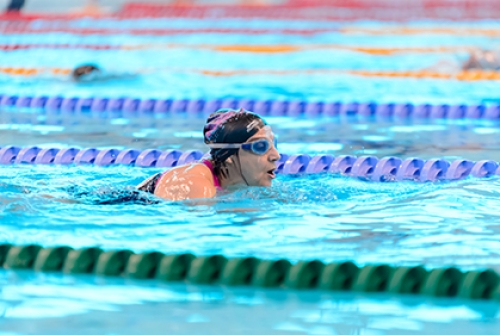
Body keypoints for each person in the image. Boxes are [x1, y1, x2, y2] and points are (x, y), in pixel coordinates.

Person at [137, 108, 280, 201]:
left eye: (274, 144)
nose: (276, 155)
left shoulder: (225, 168)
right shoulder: (194, 184)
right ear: (229, 156)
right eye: (261, 146)